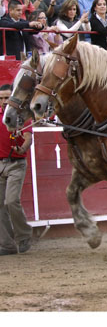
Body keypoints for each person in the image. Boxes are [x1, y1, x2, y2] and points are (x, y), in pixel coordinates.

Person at [0, 84, 33, 255]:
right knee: (0, 205)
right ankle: (7, 245)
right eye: (1, 98)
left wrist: (23, 148)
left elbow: (28, 137)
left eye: (7, 97)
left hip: (16, 163)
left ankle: (24, 235)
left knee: (11, 201)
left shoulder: (20, 115)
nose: (4, 102)